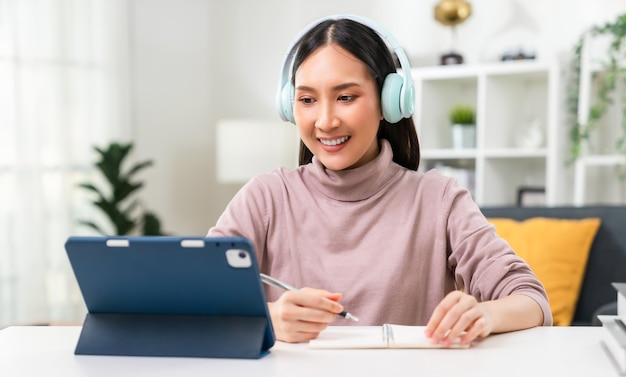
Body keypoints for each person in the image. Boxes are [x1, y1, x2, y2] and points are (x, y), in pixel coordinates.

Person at [207, 14, 552, 346]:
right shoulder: (265, 197)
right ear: (289, 104)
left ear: (390, 100)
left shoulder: (439, 200)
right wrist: (270, 318)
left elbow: (531, 299)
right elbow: (195, 298)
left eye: (346, 97)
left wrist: (484, 315)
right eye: (308, 99)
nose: (325, 121)